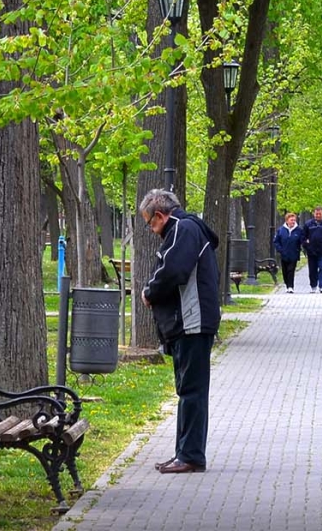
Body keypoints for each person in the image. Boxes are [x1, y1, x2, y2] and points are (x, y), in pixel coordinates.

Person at [140, 188, 221, 473]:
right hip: (191, 322)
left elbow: (174, 270)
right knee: (189, 390)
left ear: (160, 216)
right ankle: (184, 453)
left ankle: (190, 456)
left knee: (192, 391)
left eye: (150, 223)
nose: (151, 230)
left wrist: (149, 291)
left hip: (192, 322)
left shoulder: (183, 229)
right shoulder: (185, 229)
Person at [301, 206, 322, 293]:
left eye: (320, 214)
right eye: (316, 214)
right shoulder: (308, 224)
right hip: (311, 251)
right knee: (312, 269)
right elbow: (303, 236)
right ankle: (313, 285)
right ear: (314, 214)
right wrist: (306, 245)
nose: (318, 215)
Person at [273, 210, 304, 291]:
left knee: (291, 270)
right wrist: (280, 250)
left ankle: (290, 286)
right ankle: (287, 284)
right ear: (287, 220)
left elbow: (302, 240)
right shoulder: (281, 230)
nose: (293, 222)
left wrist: (303, 246)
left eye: (294, 220)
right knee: (285, 271)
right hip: (284, 254)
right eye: (291, 220)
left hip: (294, 253)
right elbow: (276, 241)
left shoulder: (299, 230)